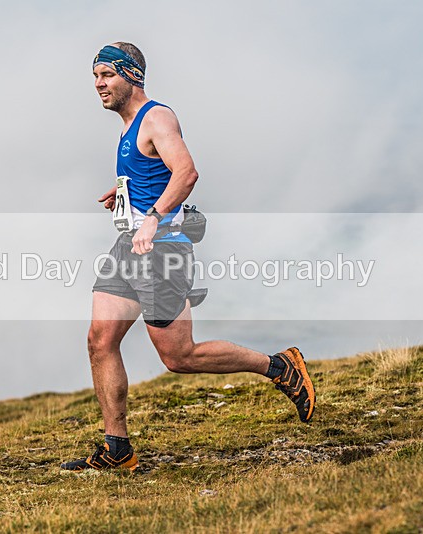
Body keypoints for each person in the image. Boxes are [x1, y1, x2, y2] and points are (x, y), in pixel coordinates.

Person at [61, 42, 315, 472]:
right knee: (99, 340)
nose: (99, 85)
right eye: (95, 77)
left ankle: (279, 367)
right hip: (130, 247)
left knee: (180, 357)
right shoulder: (127, 128)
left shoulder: (156, 117)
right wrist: (123, 193)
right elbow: (154, 171)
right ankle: (116, 450)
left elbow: (186, 171)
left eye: (106, 75)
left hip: (161, 250)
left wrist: (153, 219)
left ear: (131, 75)